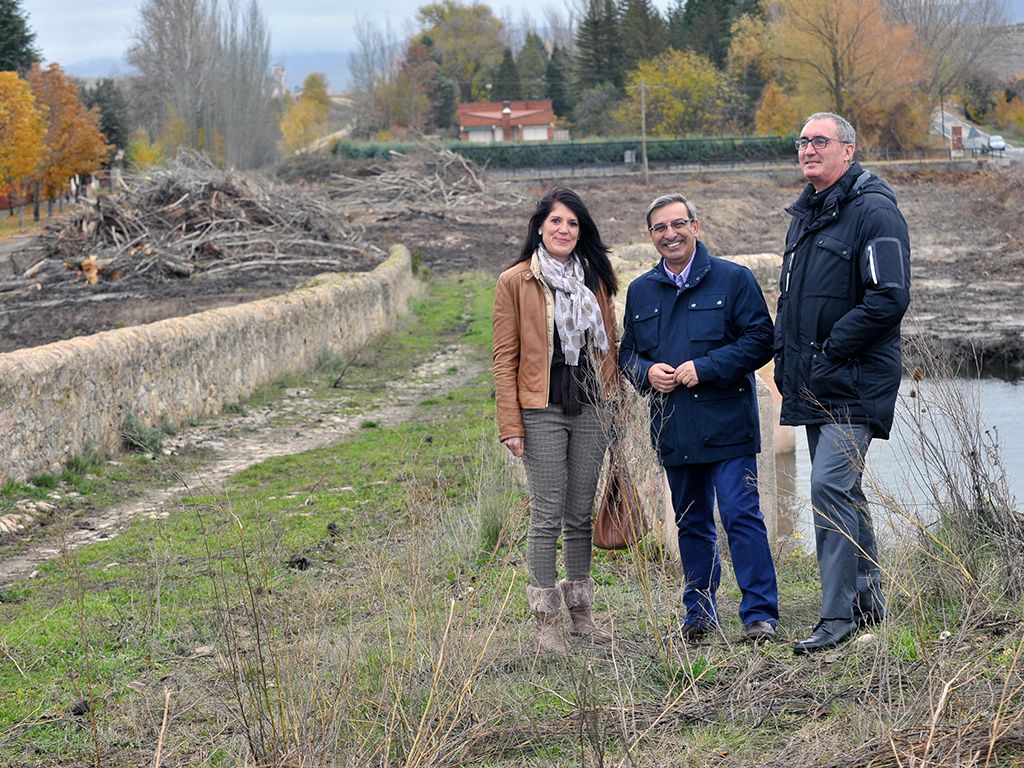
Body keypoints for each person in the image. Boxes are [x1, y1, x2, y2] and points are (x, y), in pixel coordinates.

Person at [775, 112, 911, 655]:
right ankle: (868, 601)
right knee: (845, 489)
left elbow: (889, 297)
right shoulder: (806, 215)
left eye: (820, 141)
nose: (809, 149)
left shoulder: (874, 211)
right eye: (803, 141)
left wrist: (831, 347)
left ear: (848, 151)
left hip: (855, 379)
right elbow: (793, 303)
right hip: (815, 382)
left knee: (828, 487)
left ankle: (836, 619)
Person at [619, 193, 779, 644]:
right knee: (691, 521)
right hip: (673, 427)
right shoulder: (640, 290)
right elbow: (627, 354)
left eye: (677, 224)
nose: (670, 234)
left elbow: (760, 341)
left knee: (740, 515)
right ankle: (699, 614)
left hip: (728, 425)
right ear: (651, 236)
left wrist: (705, 368)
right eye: (659, 228)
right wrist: (646, 371)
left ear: (695, 225)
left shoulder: (733, 279)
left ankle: (760, 615)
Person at [492, 187, 621, 654]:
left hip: (592, 409)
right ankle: (546, 621)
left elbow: (611, 346)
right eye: (556, 222)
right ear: (540, 228)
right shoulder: (515, 281)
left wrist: (616, 406)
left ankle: (581, 613)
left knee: (580, 514)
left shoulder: (595, 280)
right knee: (547, 512)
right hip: (540, 410)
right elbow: (504, 357)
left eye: (572, 223)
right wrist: (510, 423)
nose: (564, 230)